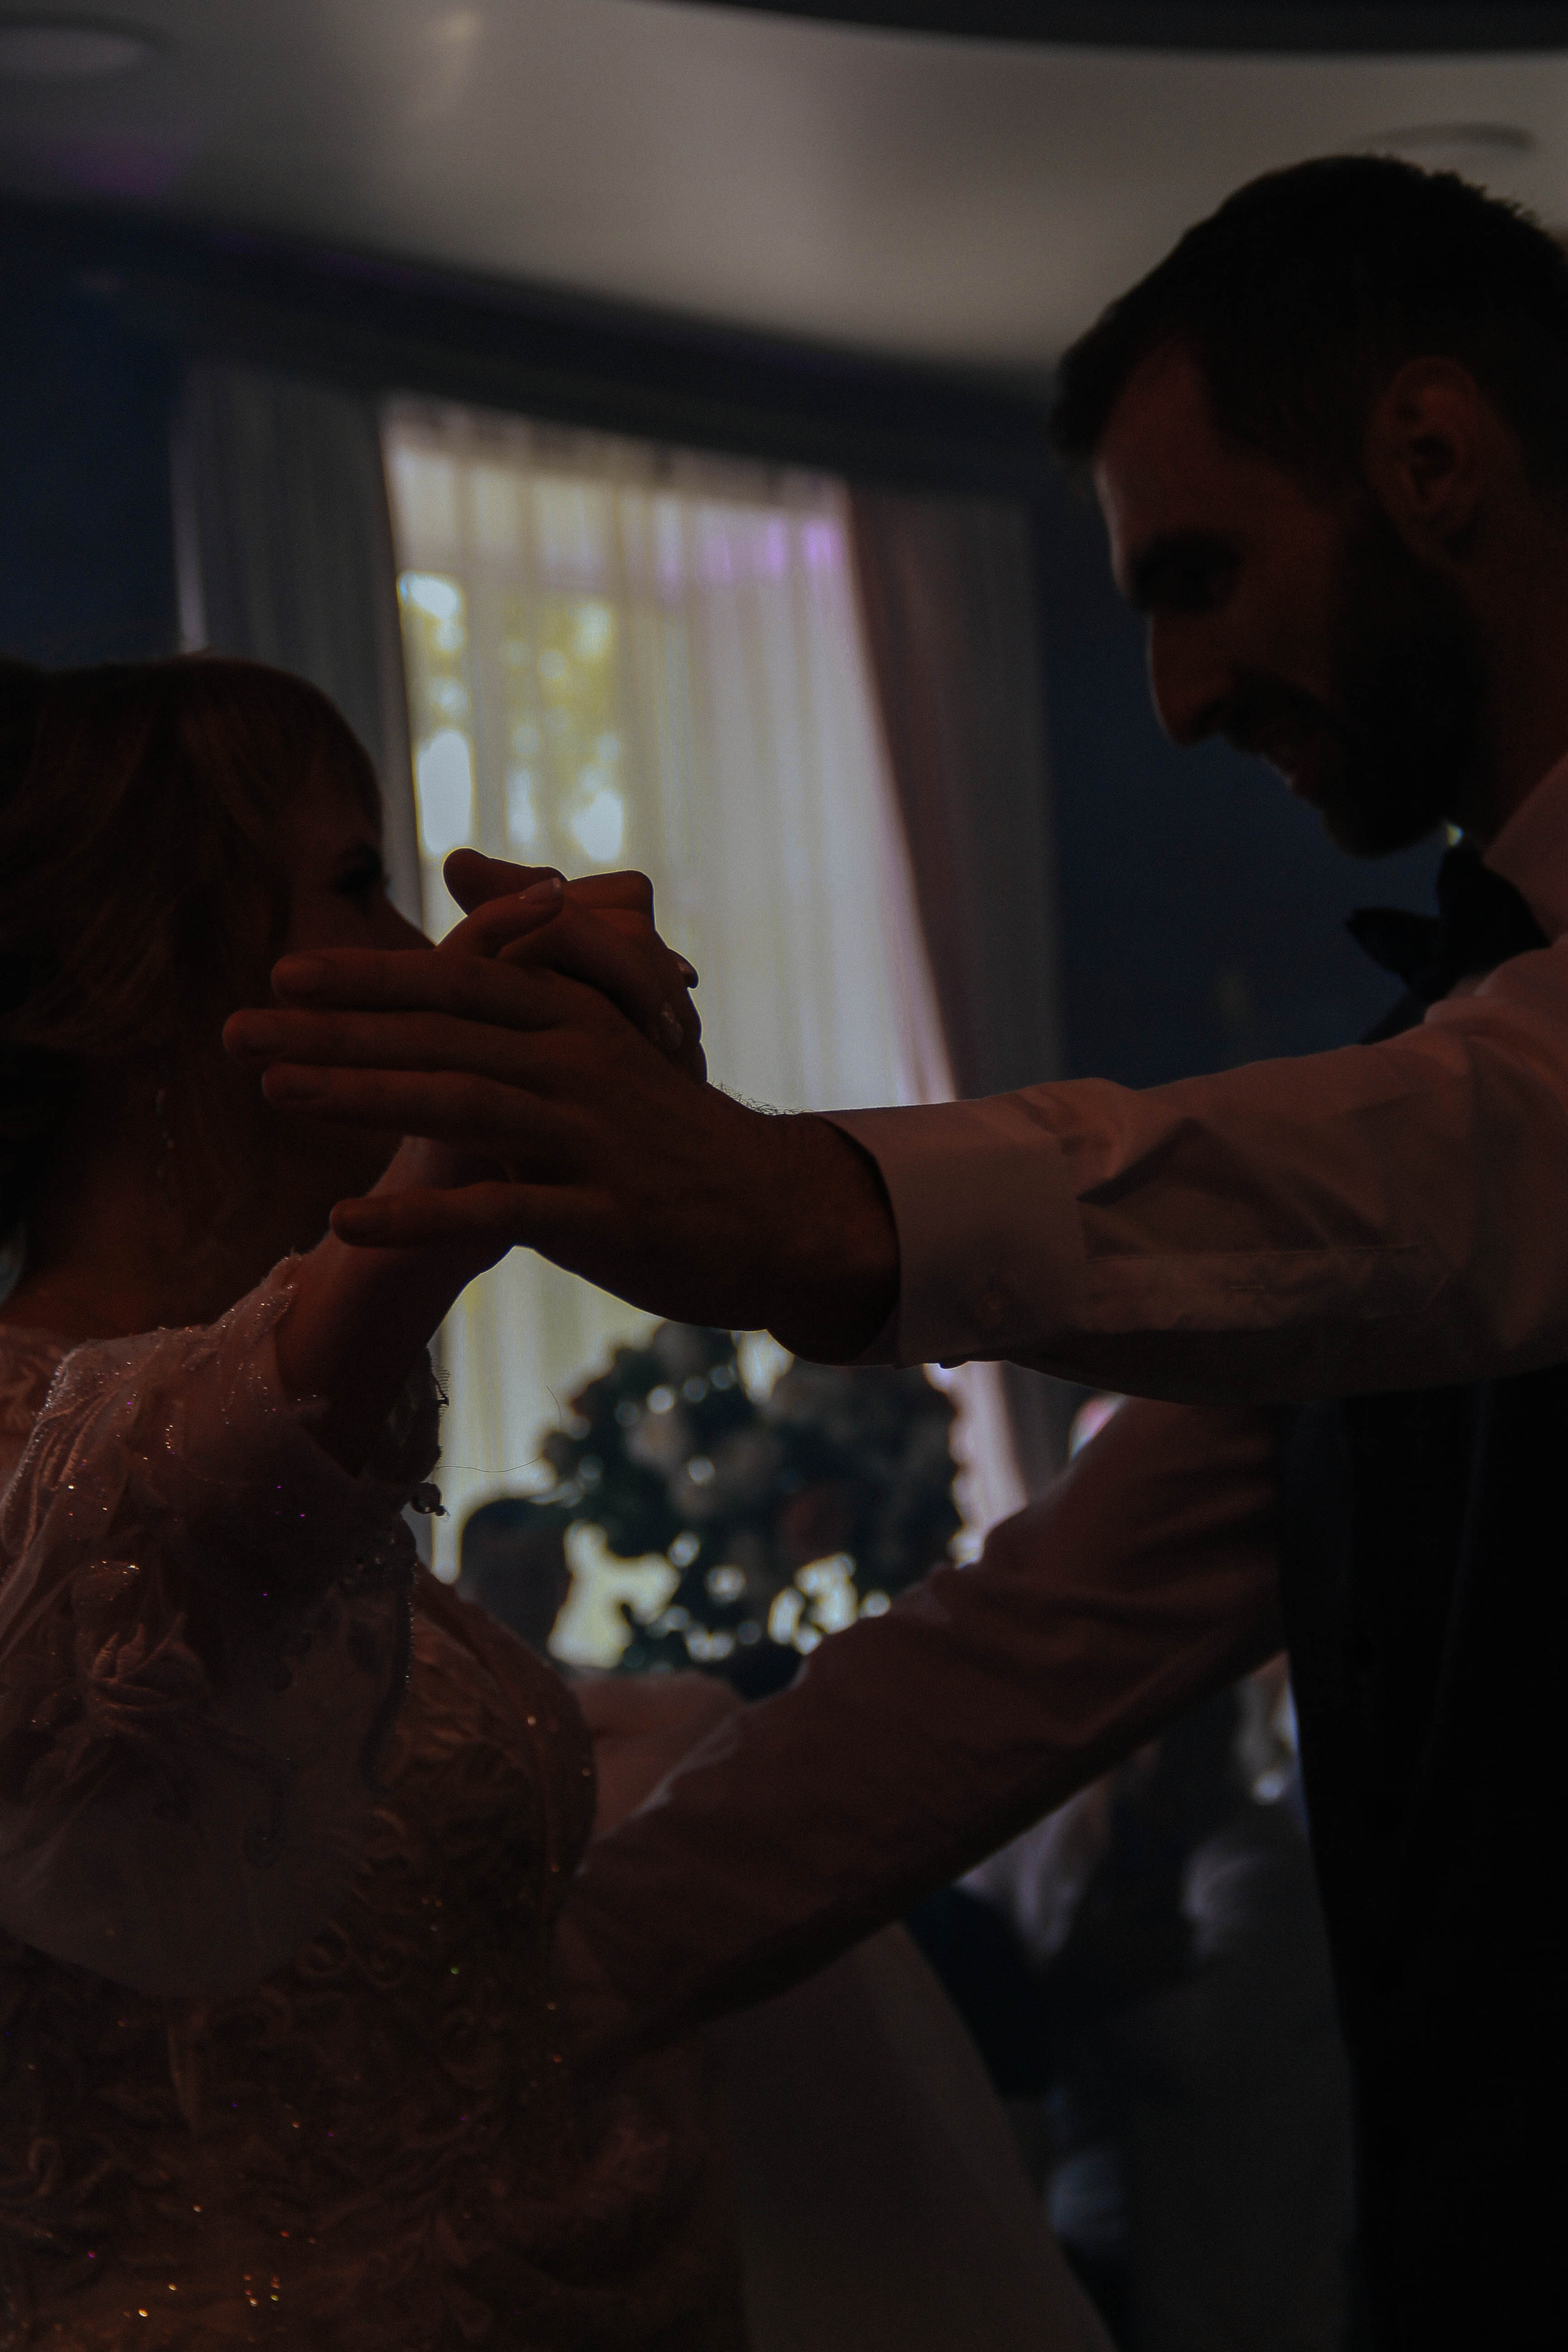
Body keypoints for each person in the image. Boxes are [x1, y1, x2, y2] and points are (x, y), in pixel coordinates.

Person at [228, 158, 1568, 2345]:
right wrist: (466, 2027)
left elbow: (1472, 1159)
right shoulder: (1425, 1103)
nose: (1173, 694)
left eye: (1200, 576)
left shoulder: (1455, 1123)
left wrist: (801, 1204)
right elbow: (1027, 1652)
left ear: (1434, 455)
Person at [0, 653, 742, 2349]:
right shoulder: (56, 1468)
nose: (418, 955)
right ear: (138, 976)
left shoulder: (302, 1479)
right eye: (355, 884)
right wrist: (443, 1183)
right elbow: (152, 1542)